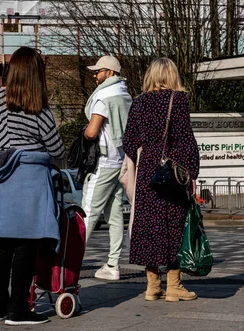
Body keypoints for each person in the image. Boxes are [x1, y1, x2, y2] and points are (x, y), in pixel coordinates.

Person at [0, 46, 66, 326]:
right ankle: (18, 309)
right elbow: (56, 148)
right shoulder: (38, 106)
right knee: (26, 244)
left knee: (2, 245)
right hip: (28, 184)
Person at [122, 58, 200, 302]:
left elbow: (129, 142)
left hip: (148, 172)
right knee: (173, 226)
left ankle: (152, 285)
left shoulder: (139, 103)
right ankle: (174, 285)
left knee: (148, 227)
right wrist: (192, 174)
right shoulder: (179, 101)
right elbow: (186, 140)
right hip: (172, 172)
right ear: (172, 76)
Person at [83, 55, 132, 281]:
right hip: (121, 159)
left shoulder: (103, 95)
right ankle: (113, 264)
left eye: (99, 71)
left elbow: (93, 131)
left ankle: (68, 262)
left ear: (109, 72)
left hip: (104, 160)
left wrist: (83, 133)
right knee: (114, 216)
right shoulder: (125, 93)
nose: (95, 75)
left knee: (87, 213)